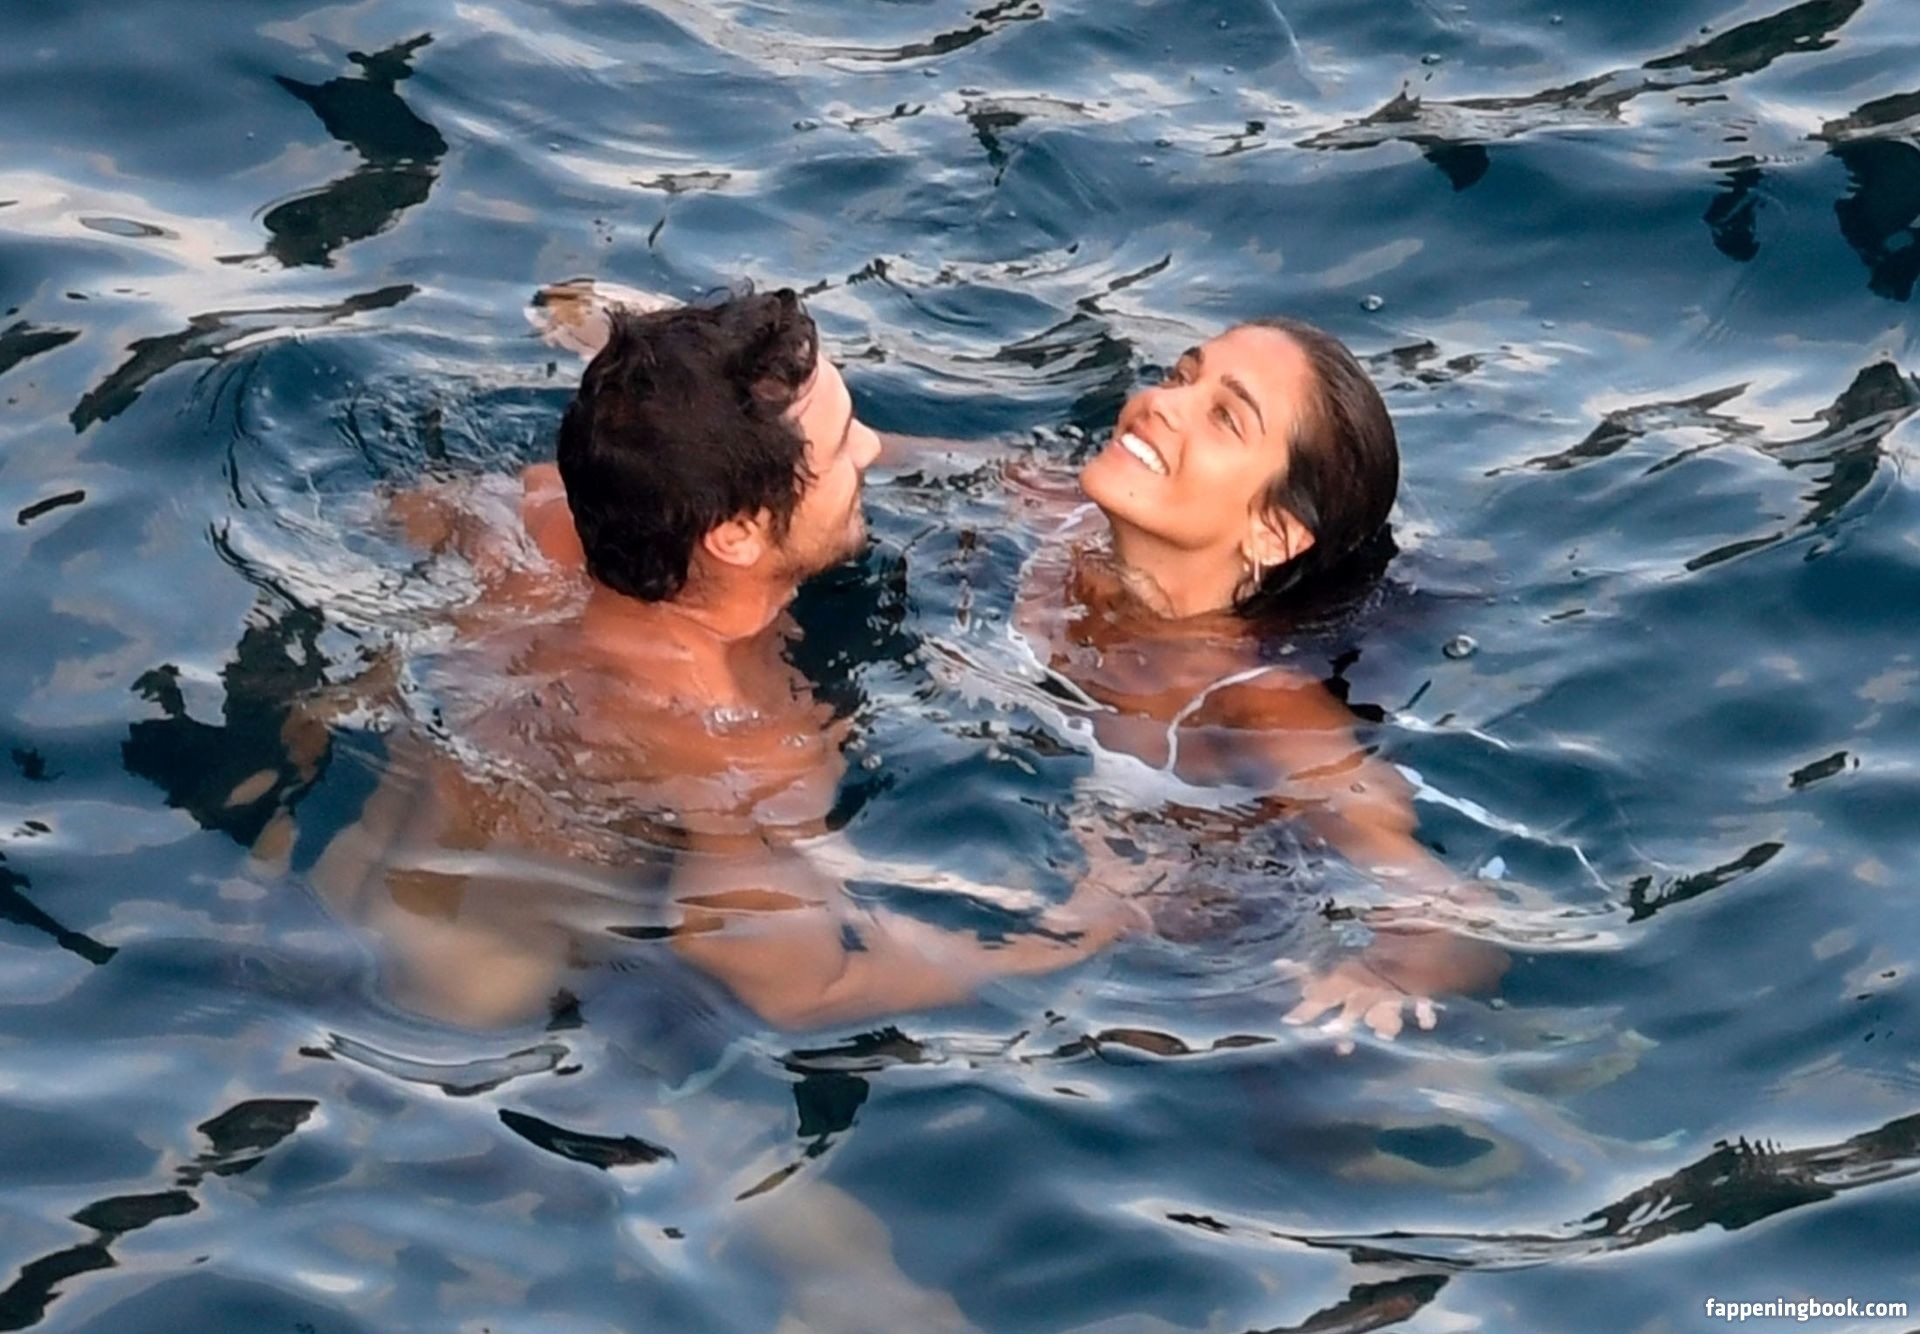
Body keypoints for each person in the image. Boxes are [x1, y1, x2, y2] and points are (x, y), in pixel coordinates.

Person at [538, 285, 1507, 1045]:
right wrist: (657, 393)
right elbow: (846, 462)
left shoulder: (1256, 701)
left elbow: (1442, 899)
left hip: (1175, 964)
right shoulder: (1058, 517)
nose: (1162, 404)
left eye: (1225, 417)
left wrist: (1385, 972)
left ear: (1274, 532)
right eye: (1183, 373)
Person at [304, 286, 1132, 1031]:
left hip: (334, 870)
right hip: (477, 989)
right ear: (734, 536)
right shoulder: (735, 736)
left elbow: (392, 509)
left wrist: (1023, 483)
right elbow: (793, 986)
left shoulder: (531, 515)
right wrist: (1064, 940)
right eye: (845, 446)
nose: (871, 452)